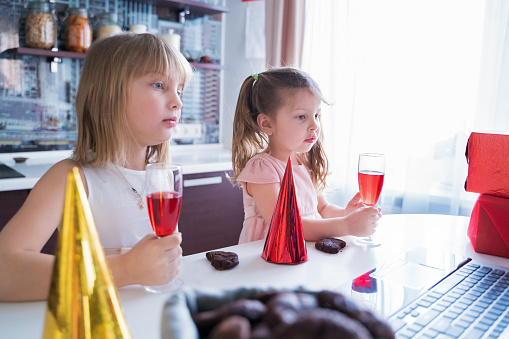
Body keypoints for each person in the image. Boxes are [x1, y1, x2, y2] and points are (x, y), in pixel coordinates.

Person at [0, 33, 192, 301]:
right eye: (159, 85)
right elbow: (5, 271)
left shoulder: (161, 177)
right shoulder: (71, 177)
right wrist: (124, 269)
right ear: (108, 96)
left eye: (180, 90)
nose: (178, 102)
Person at [231, 67, 381, 244]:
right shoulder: (262, 169)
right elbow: (285, 226)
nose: (315, 126)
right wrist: (346, 226)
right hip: (269, 265)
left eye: (316, 115)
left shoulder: (303, 164)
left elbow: (323, 209)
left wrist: (346, 214)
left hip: (303, 259)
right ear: (266, 124)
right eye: (301, 116)